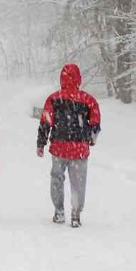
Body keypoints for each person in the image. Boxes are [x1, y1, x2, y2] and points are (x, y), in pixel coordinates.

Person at [36, 63, 101, 227]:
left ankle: (59, 211)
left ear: (62, 78)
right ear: (79, 78)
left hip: (59, 148)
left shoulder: (54, 98)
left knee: (57, 179)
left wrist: (41, 143)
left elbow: (46, 122)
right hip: (79, 149)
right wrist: (91, 140)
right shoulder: (88, 100)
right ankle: (76, 214)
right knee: (78, 183)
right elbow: (95, 123)